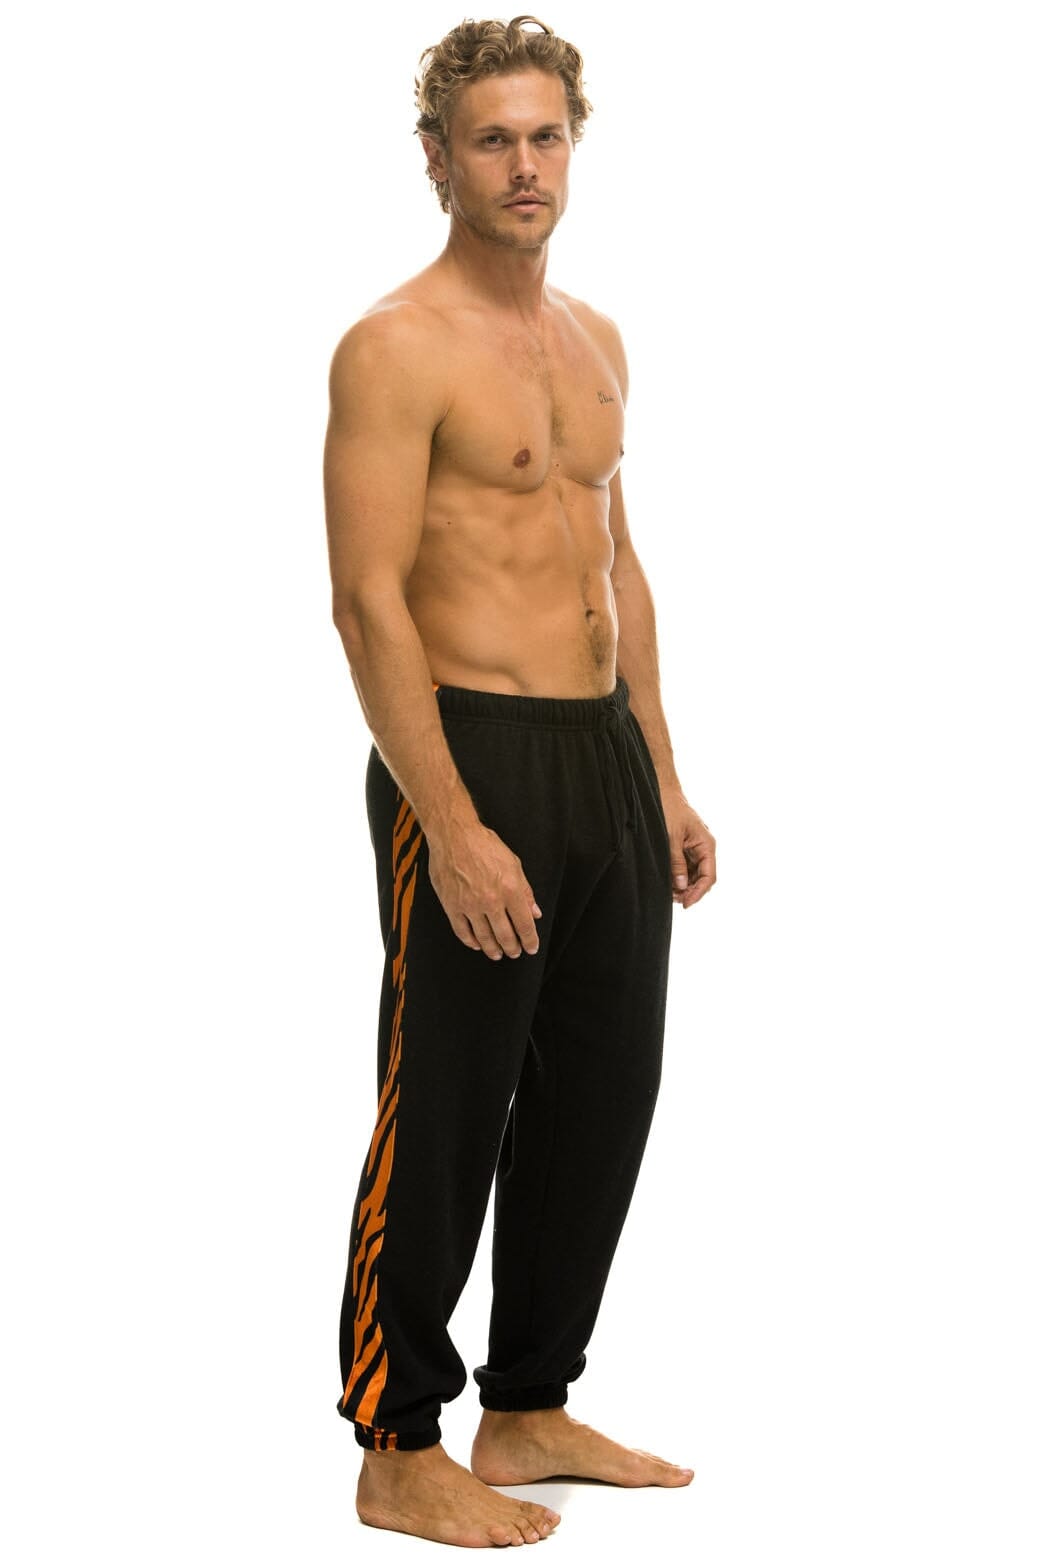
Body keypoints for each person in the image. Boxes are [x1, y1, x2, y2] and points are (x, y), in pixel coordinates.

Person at [323, 14, 717, 1547]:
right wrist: (450, 822)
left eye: (546, 136)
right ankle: (394, 1440)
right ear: (438, 160)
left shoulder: (596, 339)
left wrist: (660, 776)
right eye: (492, 139)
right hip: (468, 749)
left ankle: (530, 1404)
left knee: (603, 1093)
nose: (525, 164)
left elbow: (618, 561)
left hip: (599, 752)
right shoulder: (393, 346)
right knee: (445, 1104)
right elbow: (368, 604)